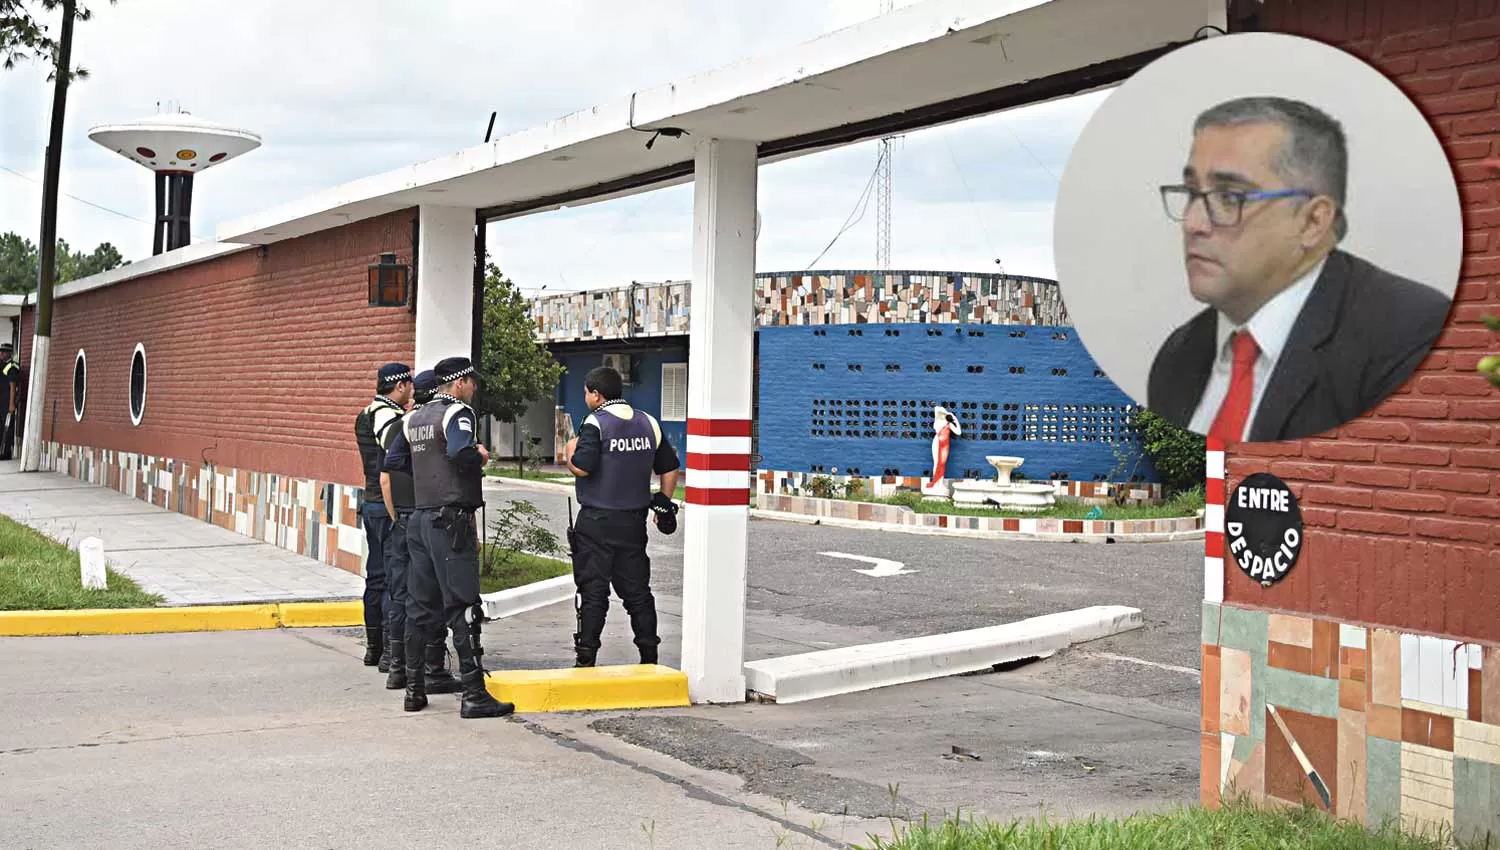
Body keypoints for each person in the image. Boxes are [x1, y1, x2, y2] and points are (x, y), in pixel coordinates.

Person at [1147, 96, 1453, 443]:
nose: (1193, 223)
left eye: (1230, 197)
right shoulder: (1179, 355)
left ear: (1312, 221)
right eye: (1191, 192)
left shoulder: (1408, 335)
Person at [382, 356, 512, 718]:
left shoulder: (414, 418)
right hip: (450, 521)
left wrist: (426, 471)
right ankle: (473, 693)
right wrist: (480, 456)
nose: (474, 388)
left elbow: (392, 462)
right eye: (472, 382)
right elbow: (458, 451)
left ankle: (414, 690)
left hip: (420, 520)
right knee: (462, 605)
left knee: (419, 607)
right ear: (459, 383)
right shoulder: (458, 414)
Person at [562, 365, 680, 668]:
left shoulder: (596, 422)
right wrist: (664, 501)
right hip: (633, 523)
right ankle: (649, 657)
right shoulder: (648, 422)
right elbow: (668, 466)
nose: (586, 398)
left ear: (596, 394)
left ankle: (586, 658)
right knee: (638, 593)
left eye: (587, 393)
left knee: (594, 593)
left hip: (596, 523)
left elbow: (583, 466)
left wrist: (568, 454)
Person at [377, 368, 459, 695]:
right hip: (427, 516)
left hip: (405, 518)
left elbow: (386, 474)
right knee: (432, 594)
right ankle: (432, 667)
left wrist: (396, 516)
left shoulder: (402, 425)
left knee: (403, 595)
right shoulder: (436, 424)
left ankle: (398, 669)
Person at [353, 362, 413, 669]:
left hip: (370, 502)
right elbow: (395, 455)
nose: (412, 392)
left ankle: (373, 647)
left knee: (375, 577)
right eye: (410, 386)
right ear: (399, 386)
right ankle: (389, 652)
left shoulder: (364, 413)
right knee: (392, 580)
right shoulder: (387, 416)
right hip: (387, 504)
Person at [0, 342, 18, 461]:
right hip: (1, 400)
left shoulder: (12, 367)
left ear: (8, 353)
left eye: (2, 352)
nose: (0, 353)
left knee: (6, 427)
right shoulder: (1, 365)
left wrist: (11, 404)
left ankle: (5, 453)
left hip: (7, 402)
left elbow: (13, 386)